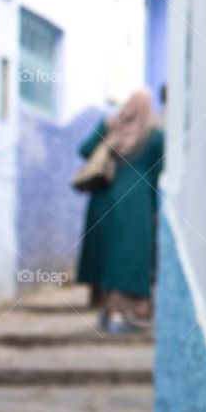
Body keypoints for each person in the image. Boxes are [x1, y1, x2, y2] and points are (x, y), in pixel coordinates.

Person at [75, 88, 164, 334]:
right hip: (137, 202)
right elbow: (159, 173)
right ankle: (123, 314)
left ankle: (107, 310)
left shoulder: (110, 127)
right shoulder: (154, 137)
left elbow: (84, 151)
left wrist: (105, 129)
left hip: (104, 198)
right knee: (132, 255)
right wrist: (156, 208)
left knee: (105, 253)